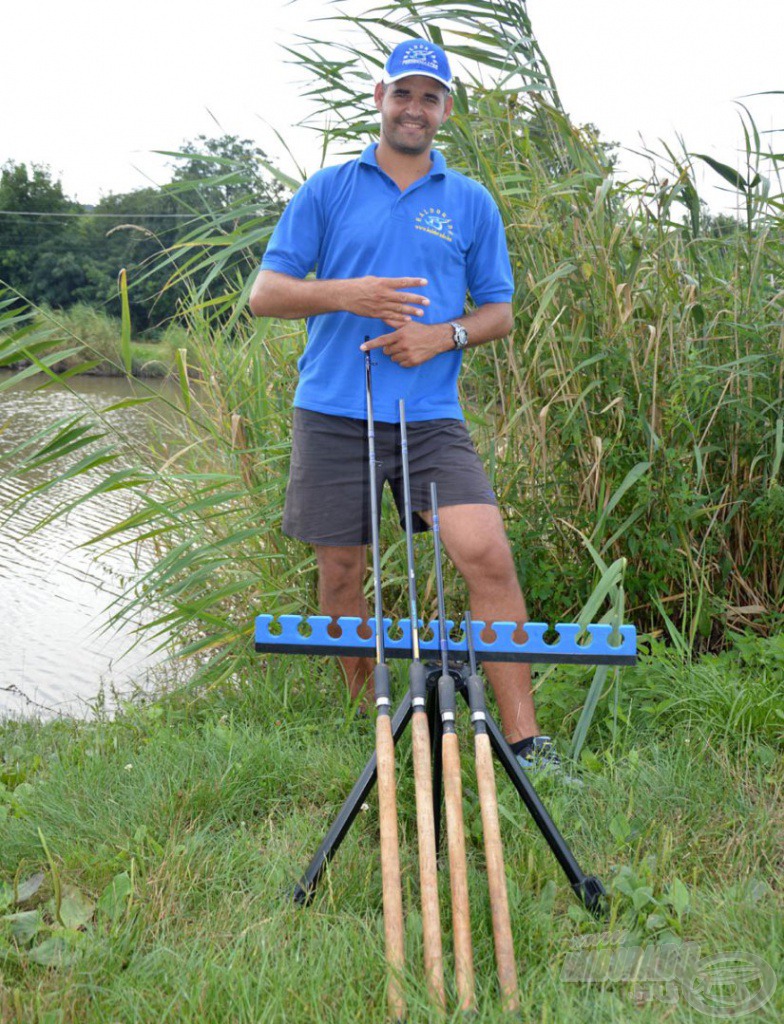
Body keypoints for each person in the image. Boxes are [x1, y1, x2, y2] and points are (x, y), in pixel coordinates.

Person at [249, 38, 560, 773]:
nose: (414, 108)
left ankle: (525, 740)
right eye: (402, 93)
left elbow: (500, 312)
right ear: (379, 99)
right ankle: (375, 719)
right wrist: (347, 294)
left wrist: (440, 335)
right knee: (341, 575)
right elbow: (265, 295)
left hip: (428, 417)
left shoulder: (470, 202)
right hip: (332, 409)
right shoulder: (326, 189)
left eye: (429, 97)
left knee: (486, 552)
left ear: (445, 110)